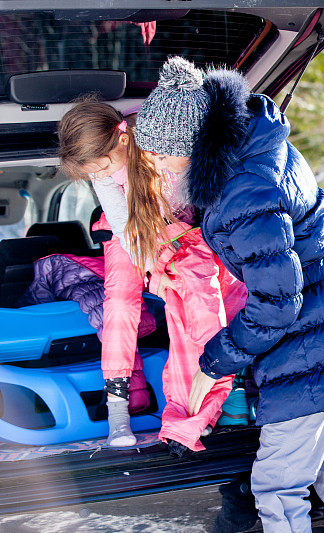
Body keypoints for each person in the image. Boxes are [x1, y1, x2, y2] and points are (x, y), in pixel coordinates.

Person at [135, 56, 324, 532]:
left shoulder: (243, 192)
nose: (160, 168)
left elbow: (278, 303)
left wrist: (216, 361)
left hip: (305, 357)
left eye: (164, 157)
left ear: (192, 149)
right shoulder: (258, 151)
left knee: (277, 488)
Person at [58, 101, 247, 453]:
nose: (101, 175)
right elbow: (126, 229)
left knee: (209, 290)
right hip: (126, 233)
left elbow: (192, 206)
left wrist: (170, 267)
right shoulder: (104, 172)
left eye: (104, 167)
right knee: (120, 299)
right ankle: (118, 411)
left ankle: (211, 399)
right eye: (94, 174)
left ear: (124, 139)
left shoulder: (163, 147)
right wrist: (152, 272)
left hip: (176, 230)